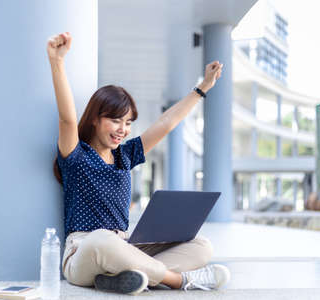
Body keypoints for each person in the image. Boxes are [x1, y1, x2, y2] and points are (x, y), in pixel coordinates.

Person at [47, 32, 230, 295]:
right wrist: (57, 61)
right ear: (95, 119)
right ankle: (179, 281)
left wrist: (203, 88)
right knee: (103, 239)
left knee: (202, 246)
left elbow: (166, 124)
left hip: (126, 247)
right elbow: (67, 119)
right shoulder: (76, 156)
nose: (123, 129)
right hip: (85, 251)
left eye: (128, 122)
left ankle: (123, 278)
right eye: (115, 120)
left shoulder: (125, 155)